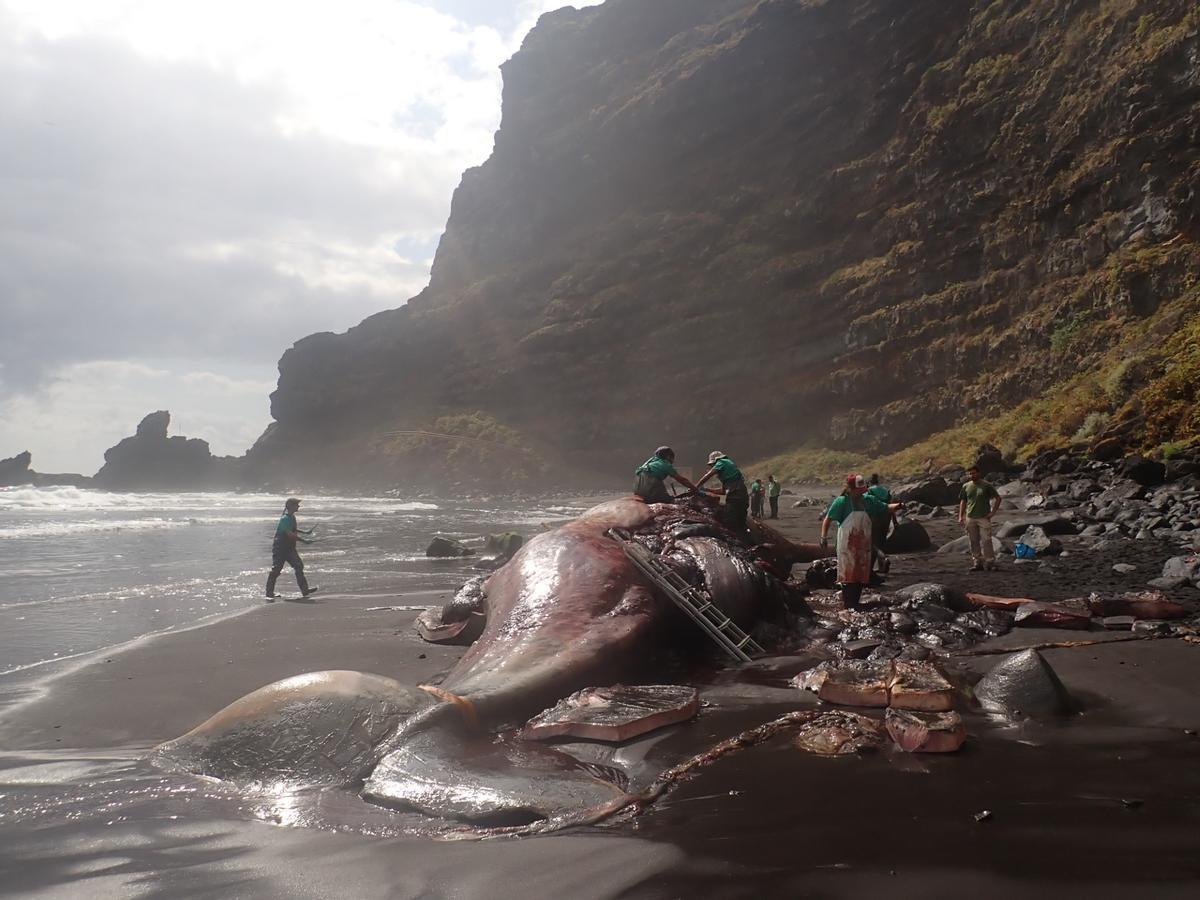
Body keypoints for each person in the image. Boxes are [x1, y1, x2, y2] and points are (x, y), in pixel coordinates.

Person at [819, 473, 895, 608]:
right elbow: (828, 519)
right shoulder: (841, 502)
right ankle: (849, 605)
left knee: (861, 574)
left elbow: (885, 507)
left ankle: (855, 604)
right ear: (850, 489)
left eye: (862, 491)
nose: (861, 493)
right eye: (858, 491)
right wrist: (823, 537)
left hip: (863, 544)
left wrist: (899, 505)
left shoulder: (868, 500)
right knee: (848, 576)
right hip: (847, 545)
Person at [266, 497, 317, 599]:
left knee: (299, 566)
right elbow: (290, 534)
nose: (298, 506)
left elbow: (293, 529)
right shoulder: (285, 519)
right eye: (296, 504)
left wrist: (305, 532)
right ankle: (269, 593)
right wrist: (304, 541)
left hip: (289, 548)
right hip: (280, 548)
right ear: (290, 506)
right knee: (276, 570)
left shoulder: (291, 517)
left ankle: (305, 590)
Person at [959, 464, 1001, 571]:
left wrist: (993, 512)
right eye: (970, 474)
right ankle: (977, 563)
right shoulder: (966, 486)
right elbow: (963, 501)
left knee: (986, 540)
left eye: (974, 473)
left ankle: (990, 562)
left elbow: (998, 498)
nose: (972, 475)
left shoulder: (986, 485)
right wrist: (960, 516)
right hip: (970, 517)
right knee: (973, 541)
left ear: (979, 473)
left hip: (983, 517)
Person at [695, 450, 750, 532]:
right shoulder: (729, 478)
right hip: (739, 496)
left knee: (729, 521)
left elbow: (708, 475)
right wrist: (706, 490)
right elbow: (723, 493)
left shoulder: (722, 461)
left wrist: (695, 486)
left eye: (712, 465)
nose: (712, 467)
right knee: (738, 520)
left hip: (735, 498)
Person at [866, 473, 894, 574]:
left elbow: (868, 506)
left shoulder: (869, 491)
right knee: (881, 542)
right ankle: (881, 567)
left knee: (872, 543)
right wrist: (894, 522)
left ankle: (882, 559)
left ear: (869, 482)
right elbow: (891, 506)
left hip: (875, 518)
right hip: (886, 518)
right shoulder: (886, 491)